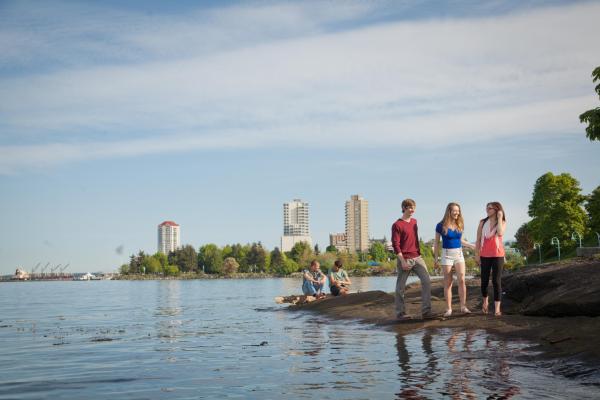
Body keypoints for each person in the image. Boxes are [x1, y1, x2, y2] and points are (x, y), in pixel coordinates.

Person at [391, 198, 433, 320]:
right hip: (404, 258)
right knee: (400, 287)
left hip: (417, 257)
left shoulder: (414, 222)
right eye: (409, 207)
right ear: (403, 208)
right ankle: (401, 314)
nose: (412, 209)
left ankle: (426, 312)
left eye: (413, 207)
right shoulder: (397, 225)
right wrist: (402, 261)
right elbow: (396, 244)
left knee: (426, 281)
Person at [433, 202, 476, 317]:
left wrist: (472, 246)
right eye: (455, 211)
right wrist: (435, 259)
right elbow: (436, 243)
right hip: (446, 254)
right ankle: (448, 309)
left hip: (459, 254)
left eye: (458, 210)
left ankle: (463, 307)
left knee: (462, 279)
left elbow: (460, 240)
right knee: (448, 282)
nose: (457, 213)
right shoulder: (440, 225)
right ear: (449, 211)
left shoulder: (460, 224)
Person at [475, 202, 506, 316]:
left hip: (498, 255)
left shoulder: (502, 222)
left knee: (496, 281)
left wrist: (499, 217)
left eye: (490, 208)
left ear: (497, 209)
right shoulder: (482, 222)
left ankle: (497, 309)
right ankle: (485, 302)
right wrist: (476, 254)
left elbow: (500, 232)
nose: (487, 210)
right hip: (484, 254)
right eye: (486, 208)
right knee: (484, 281)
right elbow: (478, 239)